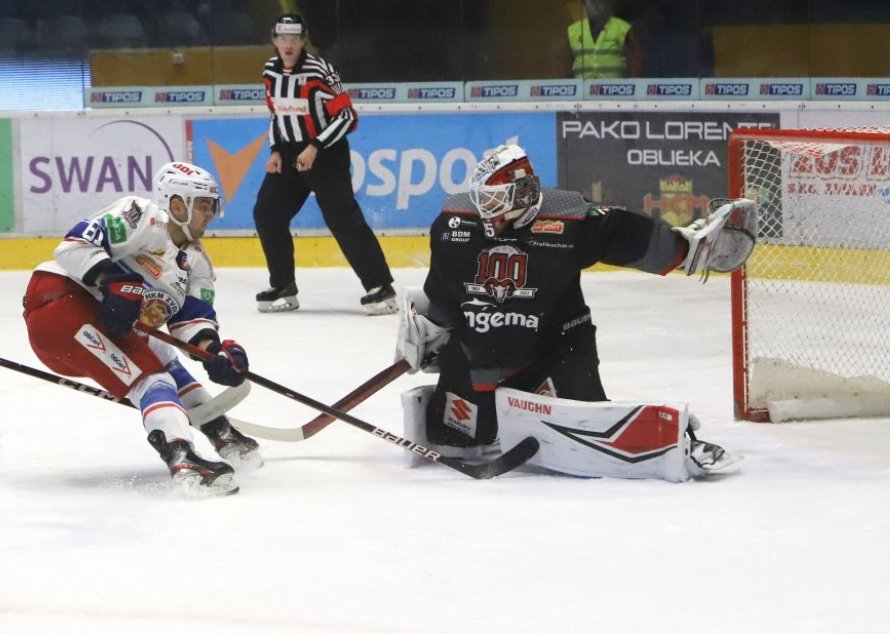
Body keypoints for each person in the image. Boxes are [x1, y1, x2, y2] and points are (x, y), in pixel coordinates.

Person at [394, 144, 757, 481]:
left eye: (495, 199)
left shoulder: (569, 219)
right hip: (482, 355)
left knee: (584, 410)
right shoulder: (455, 225)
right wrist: (432, 328)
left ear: (522, 194)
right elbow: (442, 289)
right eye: (483, 199)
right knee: (458, 436)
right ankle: (497, 408)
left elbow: (626, 234)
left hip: (557, 348)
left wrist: (685, 250)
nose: (487, 209)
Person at [22, 161, 262, 497]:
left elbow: (191, 323)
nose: (211, 214)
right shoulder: (140, 216)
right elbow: (72, 247)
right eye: (205, 206)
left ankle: (219, 430)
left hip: (100, 329)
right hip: (61, 303)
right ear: (178, 205)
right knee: (153, 381)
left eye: (212, 206)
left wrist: (215, 353)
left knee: (165, 358)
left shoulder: (198, 263)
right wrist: (109, 280)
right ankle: (183, 458)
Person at [253, 13, 396, 315]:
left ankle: (380, 286)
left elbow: (347, 116)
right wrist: (276, 149)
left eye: (294, 39)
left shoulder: (319, 70)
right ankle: (283, 286)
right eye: (282, 39)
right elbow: (276, 115)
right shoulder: (270, 71)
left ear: (303, 41)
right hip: (290, 156)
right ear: (274, 41)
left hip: (326, 155)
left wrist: (315, 147)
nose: (288, 45)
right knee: (267, 212)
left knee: (343, 219)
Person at [567, 0, 642, 78]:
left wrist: (634, 87)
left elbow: (636, 64)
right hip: (582, 89)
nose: (596, 2)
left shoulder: (623, 28)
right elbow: (563, 68)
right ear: (584, 3)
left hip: (614, 89)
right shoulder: (573, 31)